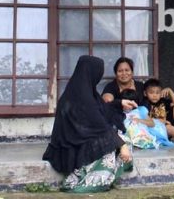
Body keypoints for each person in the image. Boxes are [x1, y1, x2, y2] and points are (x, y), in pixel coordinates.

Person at [42, 55, 132, 193]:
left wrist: (120, 103)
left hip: (80, 140)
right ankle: (92, 180)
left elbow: (103, 110)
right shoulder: (81, 98)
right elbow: (100, 125)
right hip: (73, 148)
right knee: (114, 146)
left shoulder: (83, 92)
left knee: (120, 138)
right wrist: (122, 145)